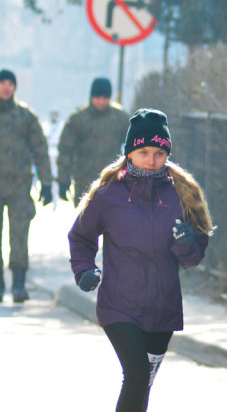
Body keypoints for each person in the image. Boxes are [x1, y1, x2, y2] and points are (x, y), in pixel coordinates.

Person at [68, 109, 214, 412]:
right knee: (135, 375)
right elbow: (81, 237)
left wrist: (186, 246)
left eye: (160, 153)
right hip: (119, 304)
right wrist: (84, 270)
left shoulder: (181, 194)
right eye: (145, 152)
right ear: (130, 152)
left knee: (140, 386)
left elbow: (197, 251)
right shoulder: (108, 194)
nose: (152, 160)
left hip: (162, 308)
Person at [0, 68, 54, 303]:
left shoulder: (26, 117)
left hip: (20, 186)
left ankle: (19, 284)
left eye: (10, 83)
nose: (6, 87)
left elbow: (40, 150)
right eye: (2, 83)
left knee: (19, 237)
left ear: (15, 87)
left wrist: (46, 183)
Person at [57, 77, 130, 206]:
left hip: (113, 181)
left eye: (105, 97)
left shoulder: (120, 119)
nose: (101, 101)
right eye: (98, 97)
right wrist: (64, 179)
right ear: (92, 96)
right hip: (84, 183)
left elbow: (133, 147)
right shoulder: (78, 119)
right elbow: (65, 150)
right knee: (85, 223)